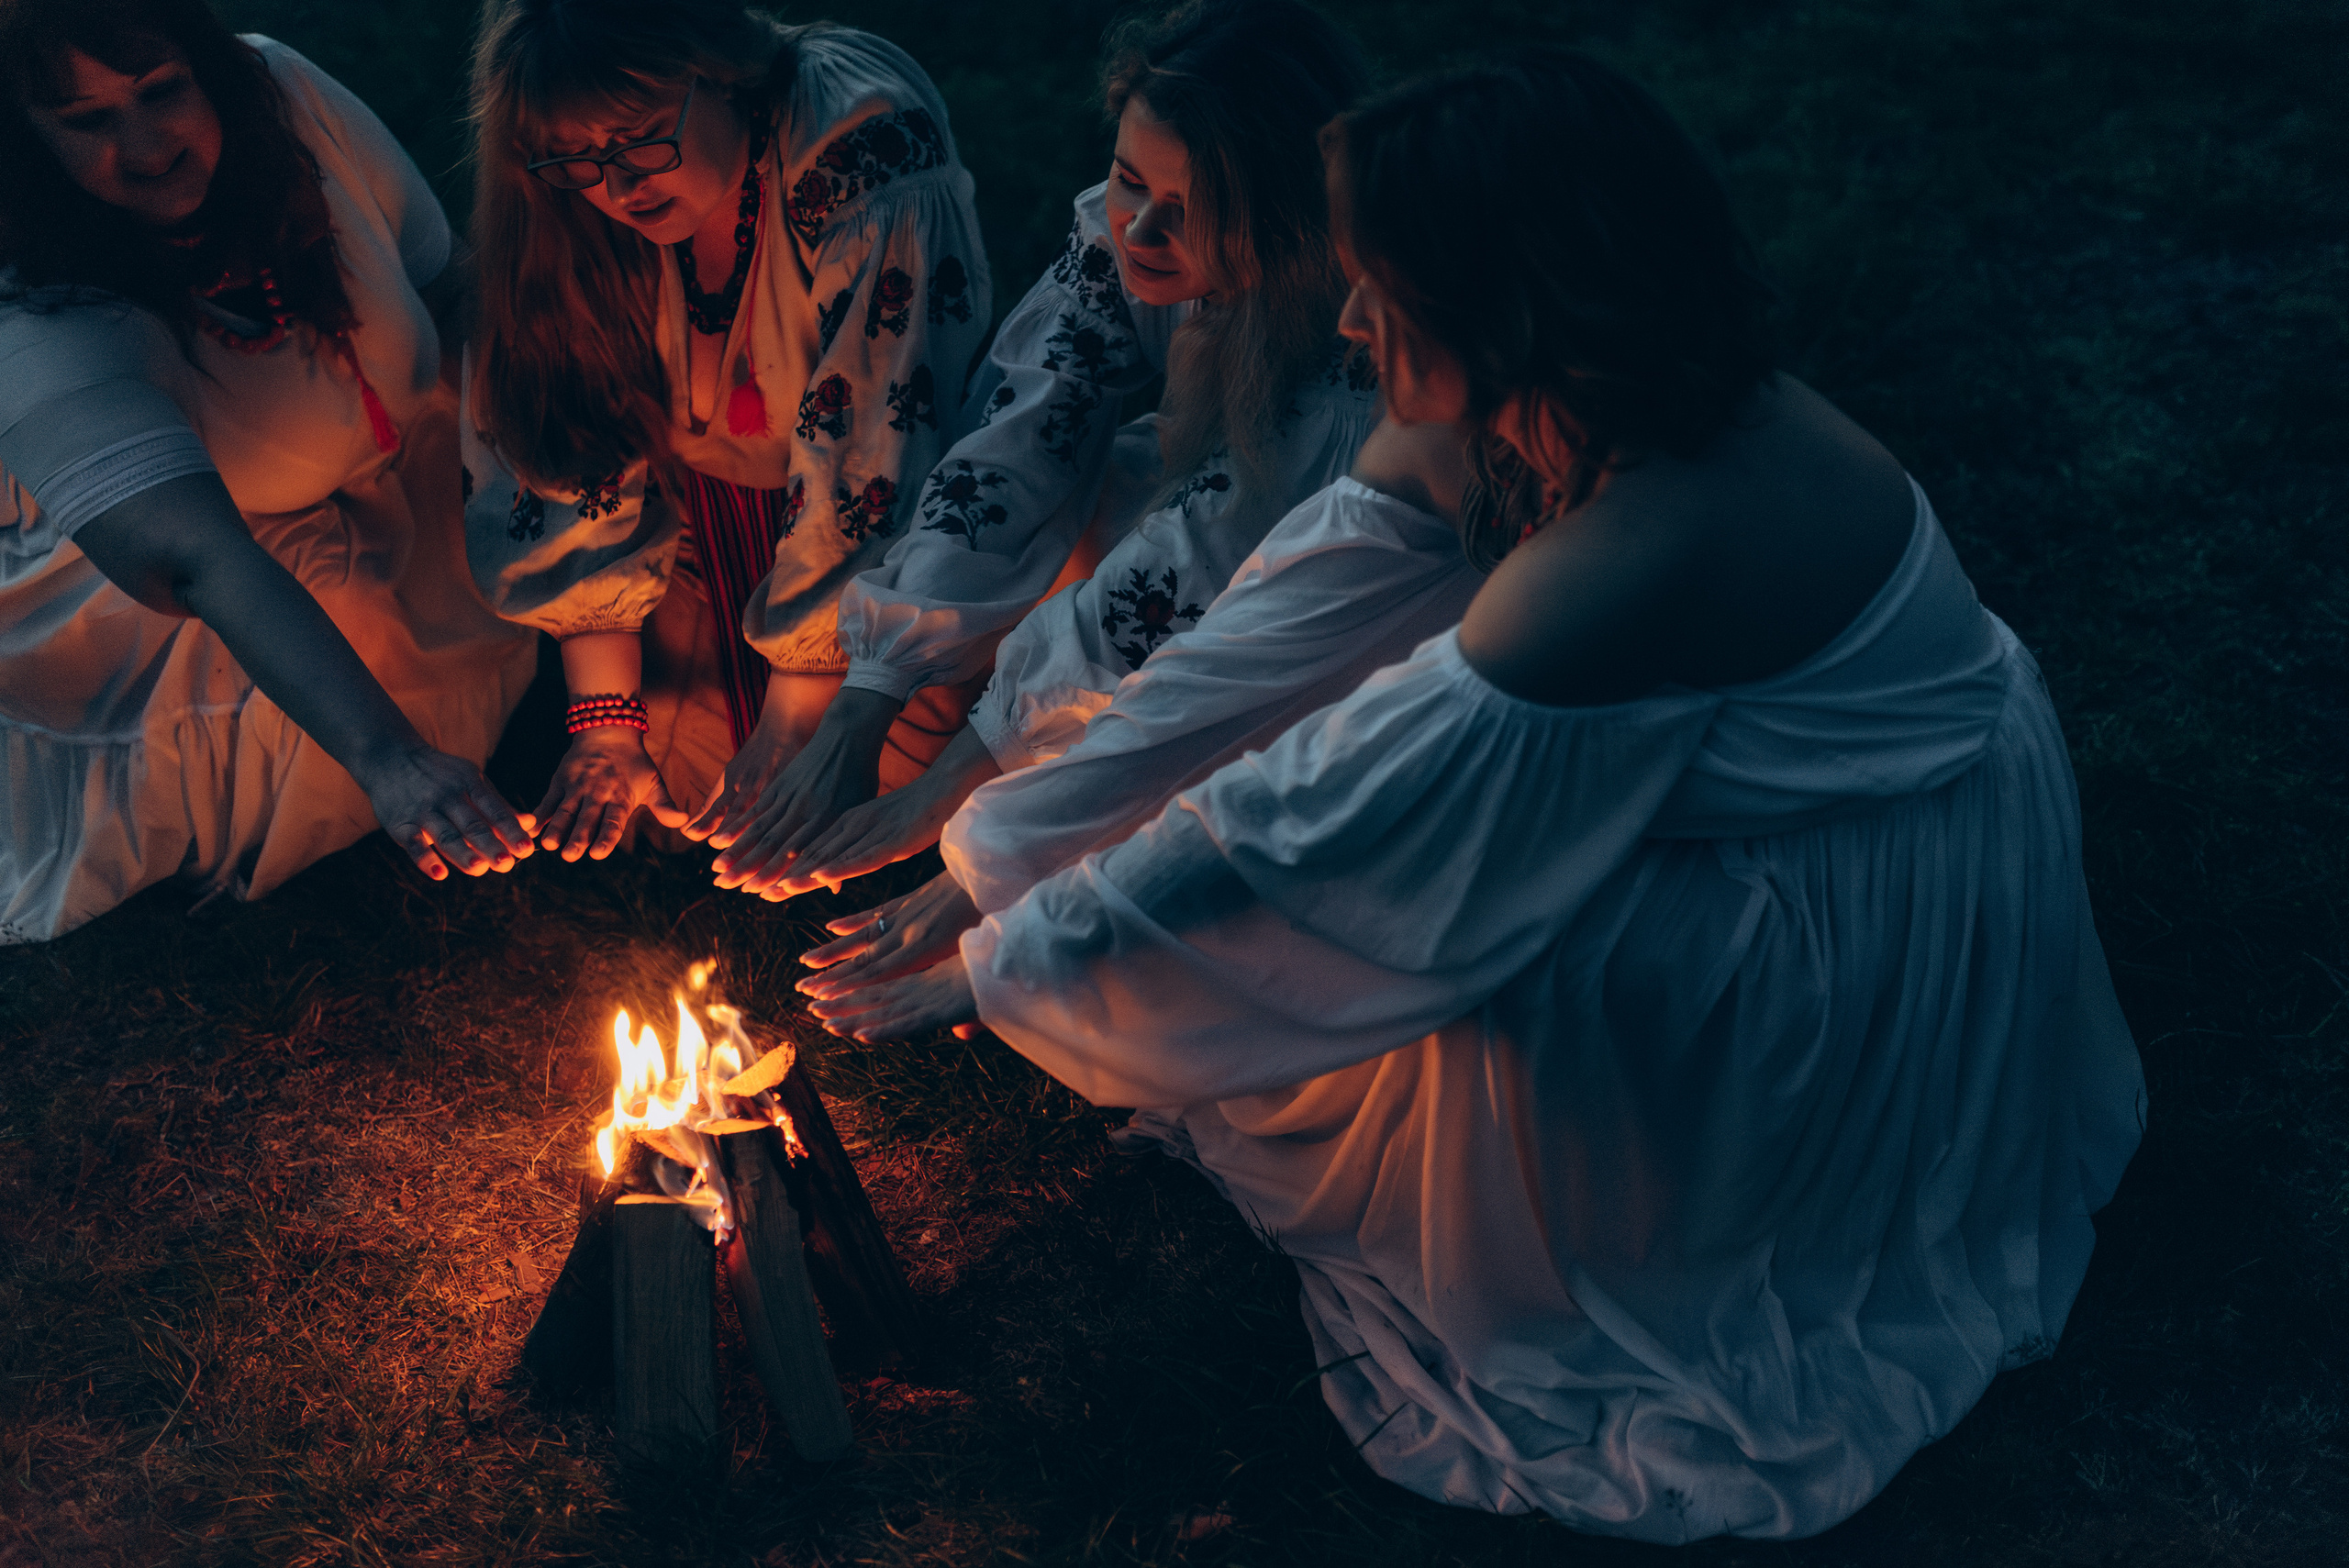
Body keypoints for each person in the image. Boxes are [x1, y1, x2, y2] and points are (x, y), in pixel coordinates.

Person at [800, 51, 2146, 1543]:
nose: (1353, 323)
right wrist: (1003, 839)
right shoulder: (1532, 403)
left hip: (1852, 858)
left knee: (1495, 973)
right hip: (1732, 767)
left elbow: (1321, 812)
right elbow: (1269, 637)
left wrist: (1013, 958)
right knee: (1364, 872)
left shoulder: (1632, 551)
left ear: (1513, 302)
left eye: (1387, 291)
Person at [694, 0, 1381, 895]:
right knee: (1080, 511)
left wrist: (948, 791)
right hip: (1221, 516)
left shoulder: (1355, 342)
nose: (1139, 231)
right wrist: (866, 694)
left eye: (1191, 207)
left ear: (1288, 211)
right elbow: (1021, 433)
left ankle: (1077, 856)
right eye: (1129, 180)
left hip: (1356, 606)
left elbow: (1194, 565)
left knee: (1139, 586)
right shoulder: (1130, 243)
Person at [0, 0, 539, 945]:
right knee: (331, 619)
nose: (149, 141)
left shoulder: (280, 92)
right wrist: (391, 756)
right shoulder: (37, 310)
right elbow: (196, 560)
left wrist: (536, 468)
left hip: (372, 486)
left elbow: (446, 283)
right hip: (159, 595)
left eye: (162, 90)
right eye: (86, 121)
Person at [461, 0, 991, 862]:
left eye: (639, 136)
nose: (623, 185)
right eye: (580, 159)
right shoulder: (573, 211)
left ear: (717, 68)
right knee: (675, 820)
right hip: (705, 526)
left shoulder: (855, 138)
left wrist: (791, 723)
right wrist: (605, 722)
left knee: (902, 791)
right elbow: (570, 437)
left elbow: (875, 447)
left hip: (902, 549)